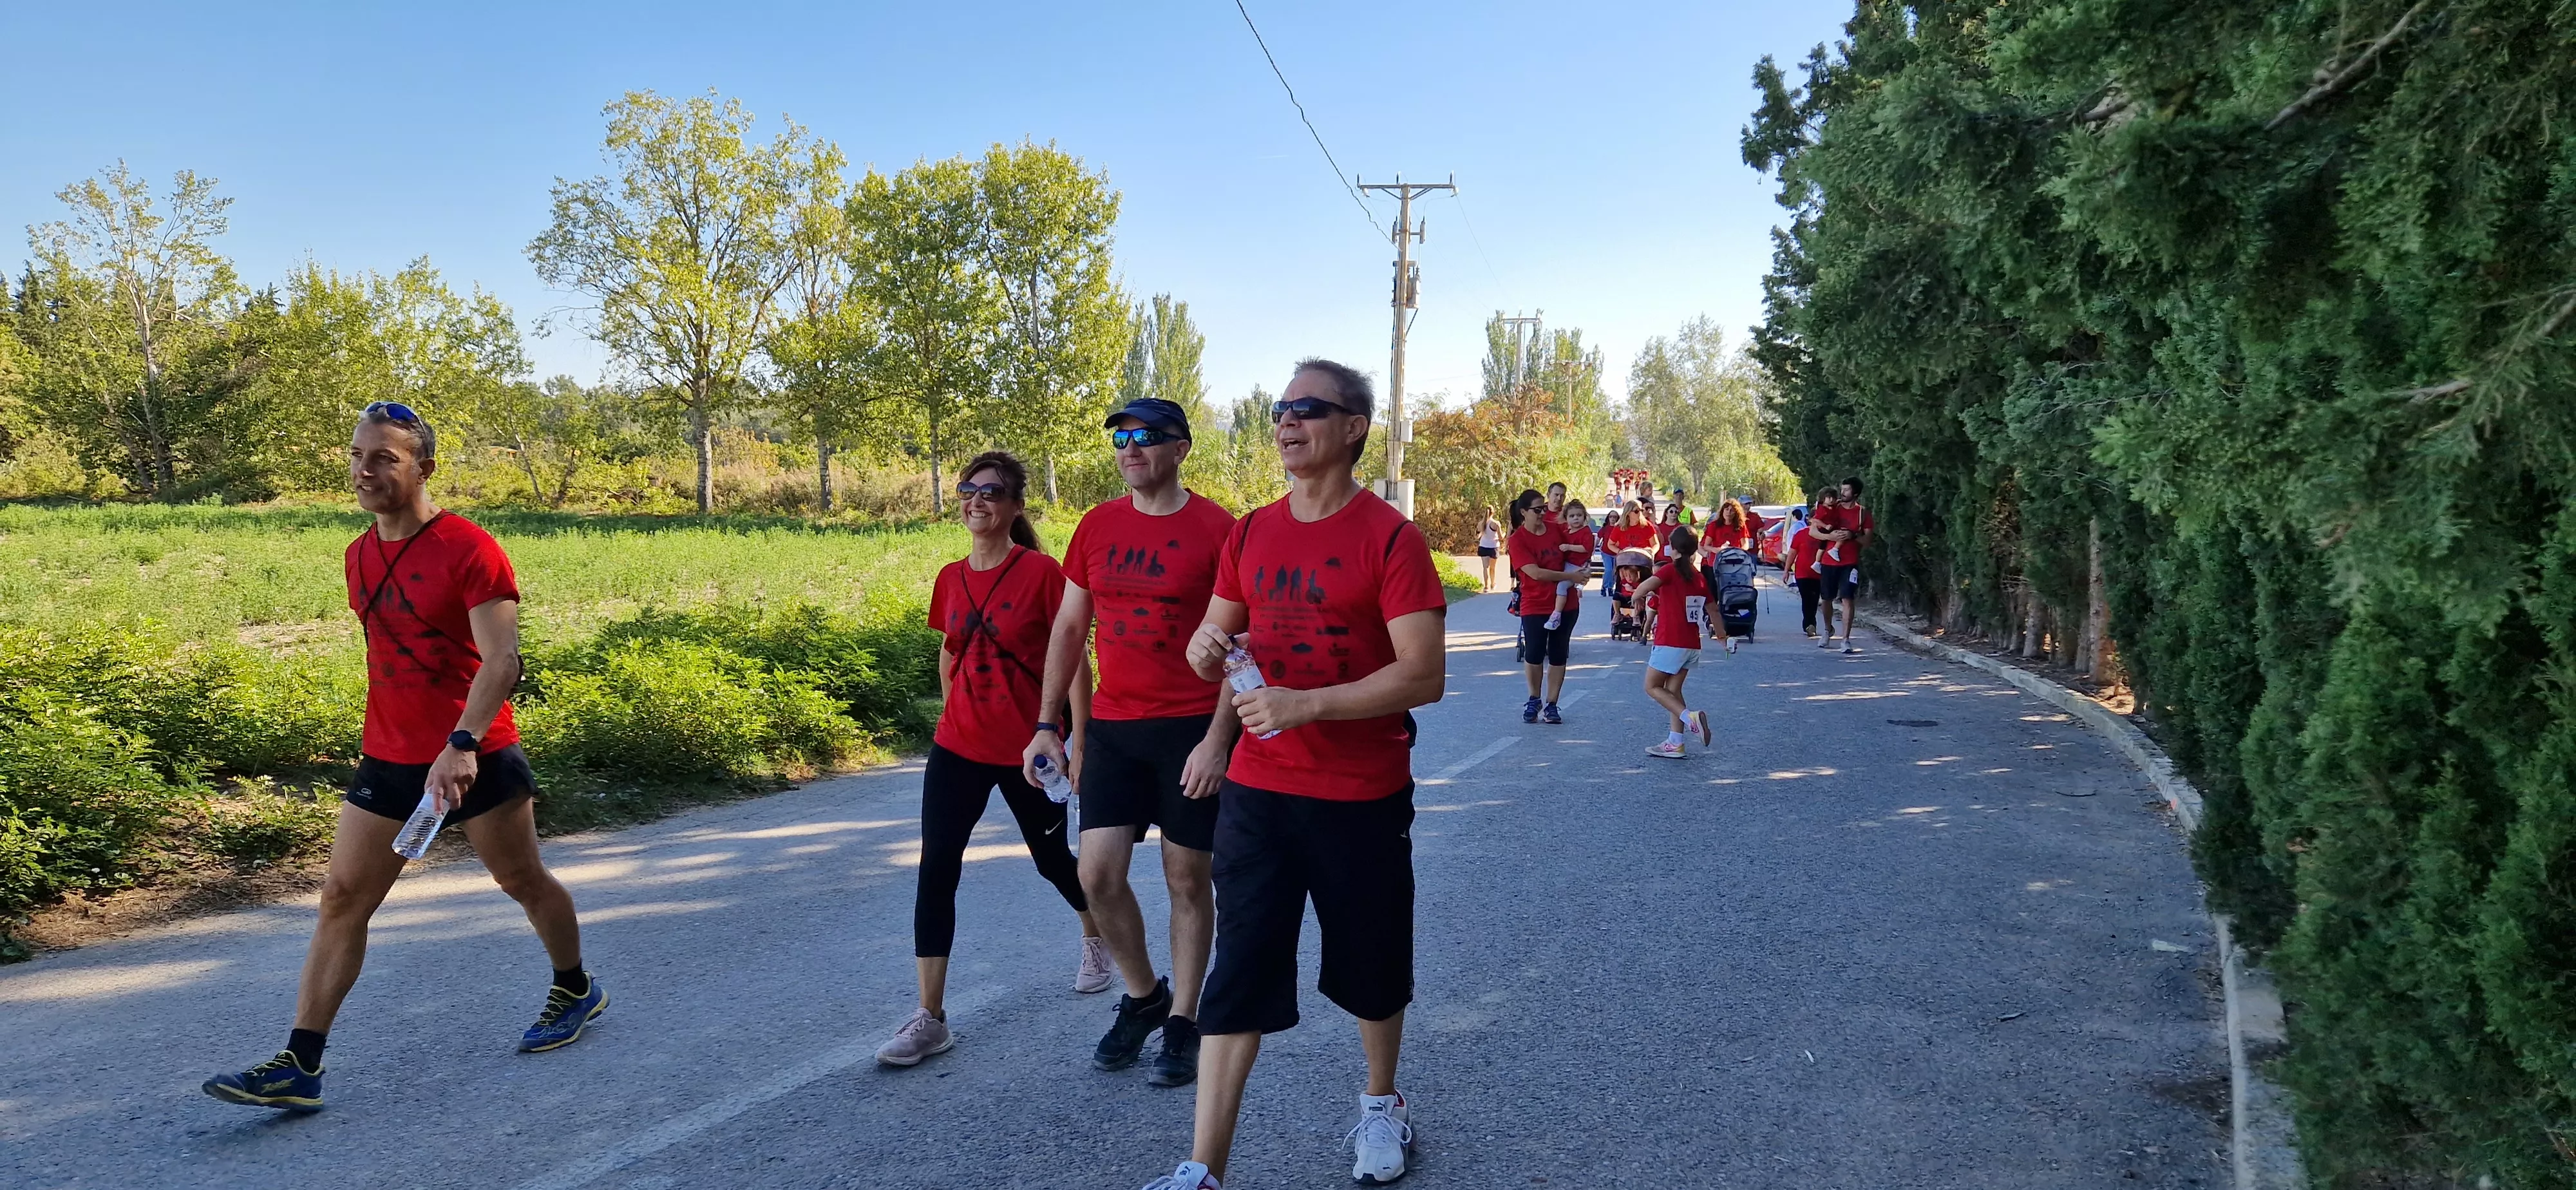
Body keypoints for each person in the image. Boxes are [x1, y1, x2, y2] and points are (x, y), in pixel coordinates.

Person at [203, 402, 601, 1113]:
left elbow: (503, 661)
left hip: (475, 754)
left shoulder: (470, 548)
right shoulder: (358, 555)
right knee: (341, 898)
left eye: (384, 457)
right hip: (387, 758)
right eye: (358, 455)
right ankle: (301, 1062)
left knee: (521, 880)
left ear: (424, 468)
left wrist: (461, 744)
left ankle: (575, 987)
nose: (365, 469)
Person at [1135, 358, 1448, 1190]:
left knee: (1372, 968)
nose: (1286, 421)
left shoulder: (1391, 538)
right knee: (1238, 973)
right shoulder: (1251, 532)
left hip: (1360, 796)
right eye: (1280, 408)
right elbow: (1215, 642)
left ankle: (1381, 1104)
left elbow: (1423, 674)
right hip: (1261, 793)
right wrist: (1205, 649)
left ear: (1353, 428)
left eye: (1307, 408)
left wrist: (1309, 705)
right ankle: (1203, 1169)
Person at [1023, 398, 1239, 1087]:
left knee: (1186, 879)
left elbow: (1242, 645)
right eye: (1121, 437)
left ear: (1181, 448)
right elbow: (1068, 629)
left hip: (1191, 728)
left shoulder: (1219, 530)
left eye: (1146, 436)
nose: (1130, 448)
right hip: (1115, 728)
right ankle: (1144, 996)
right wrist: (1050, 725)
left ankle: (1184, 1019)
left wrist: (1218, 740)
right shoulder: (1097, 525)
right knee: (1097, 875)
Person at [877, 451, 1106, 1068]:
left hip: (1031, 749)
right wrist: (952, 710)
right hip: (959, 746)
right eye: (968, 490)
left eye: (992, 492)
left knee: (1051, 860)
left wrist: (1078, 740)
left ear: (1015, 507)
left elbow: (1074, 658)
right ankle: (931, 1017)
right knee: (937, 868)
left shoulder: (1042, 574)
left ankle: (1095, 935)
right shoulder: (951, 577)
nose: (976, 501)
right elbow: (951, 649)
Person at [1631, 524, 1715, 759]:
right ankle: (1675, 743)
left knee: (1651, 686)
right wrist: (1723, 637)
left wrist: (1637, 596)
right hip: (1691, 644)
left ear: (1673, 549)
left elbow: (1643, 587)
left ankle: (1690, 718)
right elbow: (1713, 609)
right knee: (1673, 690)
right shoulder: (1698, 577)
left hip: (1670, 641)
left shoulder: (1669, 570)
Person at [1508, 489, 1586, 725]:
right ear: (1524, 512)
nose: (1543, 513)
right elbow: (1535, 573)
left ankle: (1552, 704)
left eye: (1544, 508)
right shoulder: (1517, 540)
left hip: (1565, 604)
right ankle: (1534, 699)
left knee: (1558, 653)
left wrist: (1582, 571)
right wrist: (1569, 576)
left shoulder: (1556, 530)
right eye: (1537, 509)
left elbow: (1576, 552)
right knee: (1533, 653)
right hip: (1535, 603)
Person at [1812, 477, 1875, 655]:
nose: (1842, 492)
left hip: (1850, 562)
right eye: (1842, 489)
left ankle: (1846, 639)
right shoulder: (1831, 507)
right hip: (1828, 561)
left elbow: (1868, 541)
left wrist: (1853, 536)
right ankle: (1827, 630)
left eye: (1847, 490)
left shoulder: (1863, 513)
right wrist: (1829, 537)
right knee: (1826, 599)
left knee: (1848, 598)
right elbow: (1813, 531)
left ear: (1856, 493)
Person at [1542, 498, 1596, 632]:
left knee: (1562, 586)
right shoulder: (1566, 533)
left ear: (1584, 517)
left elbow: (1587, 548)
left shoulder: (1586, 532)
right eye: (1572, 516)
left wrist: (1569, 547)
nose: (1576, 518)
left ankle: (1556, 615)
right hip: (1567, 564)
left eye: (1579, 515)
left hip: (1578, 566)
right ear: (1566, 518)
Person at [1783, 504, 1823, 638]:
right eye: (1817, 519)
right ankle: (1809, 624)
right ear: (1810, 519)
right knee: (1807, 598)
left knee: (1815, 599)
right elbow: (1792, 553)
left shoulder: (1826, 536)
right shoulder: (1801, 534)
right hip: (1803, 573)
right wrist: (1787, 570)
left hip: (1819, 574)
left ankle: (1811, 623)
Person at [1477, 510, 1502, 592]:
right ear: (1493, 513)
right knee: (1492, 568)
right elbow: (1501, 537)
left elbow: (1477, 535)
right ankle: (1493, 584)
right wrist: (1505, 534)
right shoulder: (1496, 523)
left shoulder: (1481, 524)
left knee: (1485, 567)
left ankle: (1486, 586)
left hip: (1483, 546)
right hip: (1493, 547)